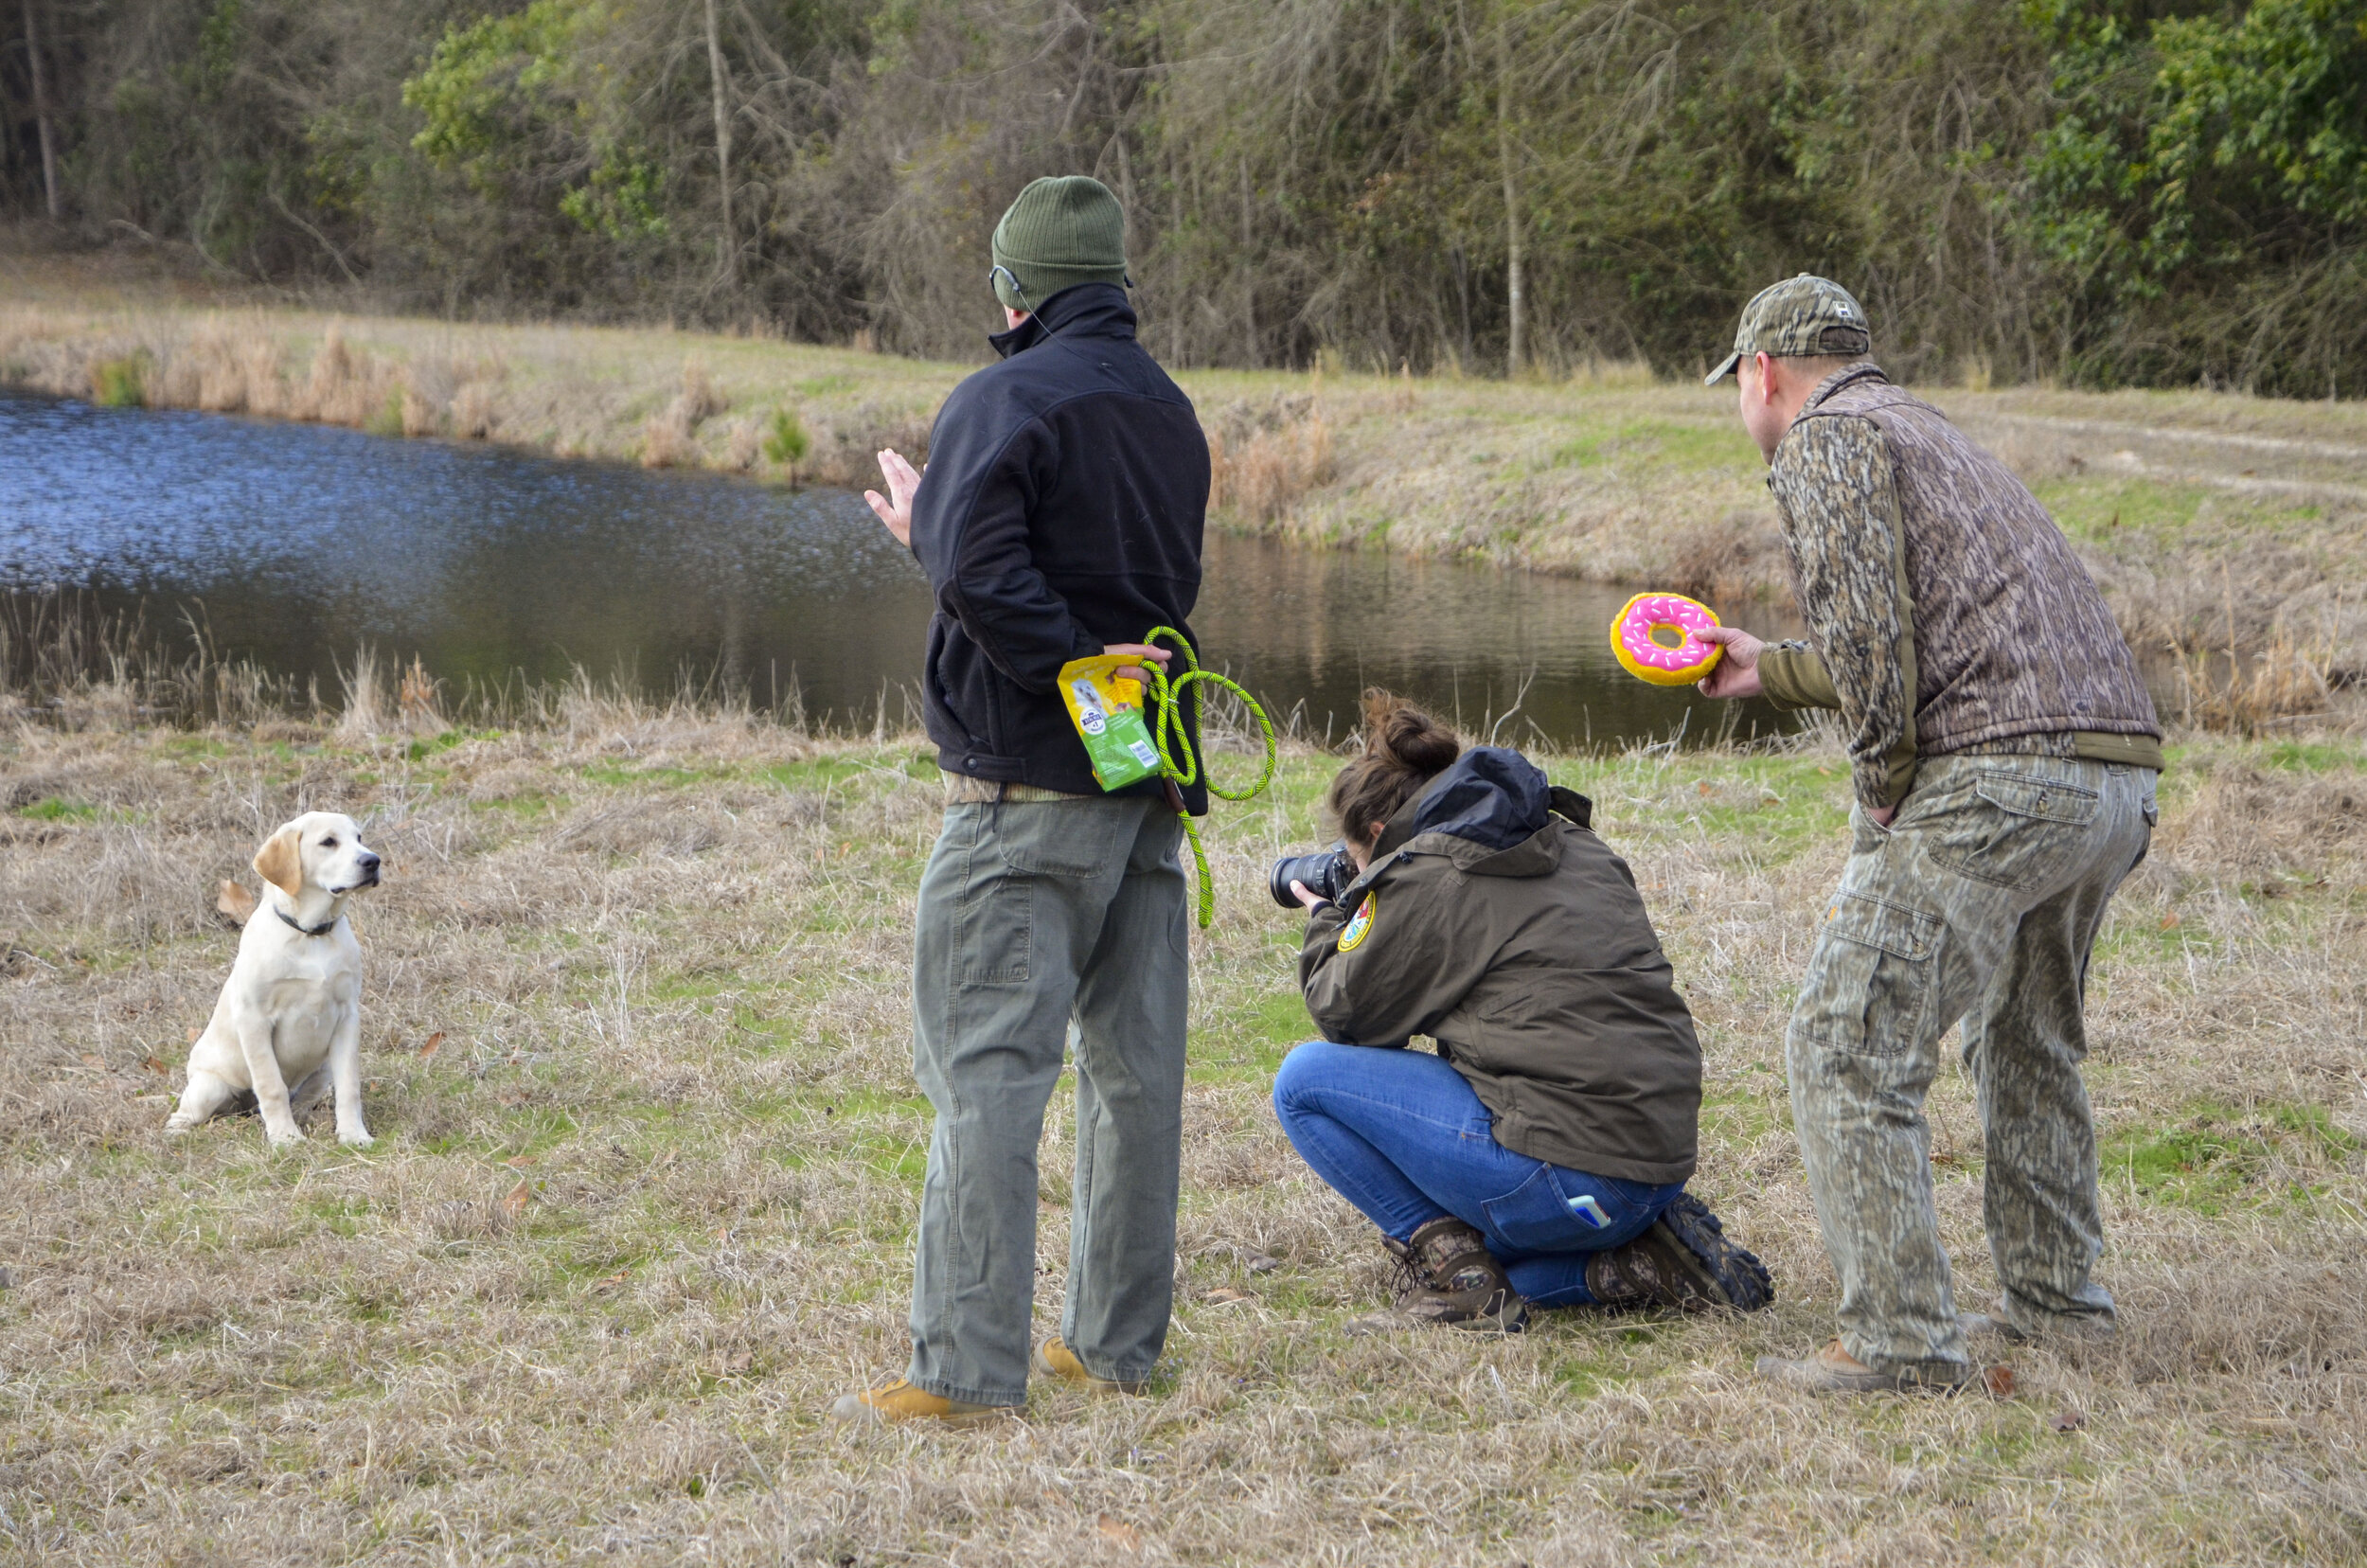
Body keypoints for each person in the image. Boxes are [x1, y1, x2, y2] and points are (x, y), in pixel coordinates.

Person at [1693, 275, 2162, 1393]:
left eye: (1738, 386)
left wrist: (1885, 790)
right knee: (2023, 1039)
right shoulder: (1921, 429)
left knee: (1846, 1040)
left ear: (1761, 371)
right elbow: (1921, 633)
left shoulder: (1822, 438)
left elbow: (1871, 654)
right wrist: (1768, 666)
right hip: (2113, 780)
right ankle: (2061, 1311)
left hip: (1999, 782)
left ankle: (1900, 1343)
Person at [832, 175, 1211, 1424]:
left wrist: (947, 547)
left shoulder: (1002, 394)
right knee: (1134, 1075)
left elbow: (995, 579)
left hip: (1020, 796)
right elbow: (1083, 571)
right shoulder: (1166, 409)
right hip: (1140, 784)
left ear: (1015, 293)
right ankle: (1113, 1348)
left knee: (989, 1076)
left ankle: (965, 1376)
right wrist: (939, 541)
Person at [1272, 693, 1773, 1332]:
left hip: (1568, 1174)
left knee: (1303, 1082)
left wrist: (1330, 913)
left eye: (1358, 859)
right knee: (1513, 1259)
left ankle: (1464, 1285)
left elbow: (1343, 1014)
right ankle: (1641, 1262)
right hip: (1653, 1166)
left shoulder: (1435, 871)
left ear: (1376, 834)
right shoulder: (1563, 836)